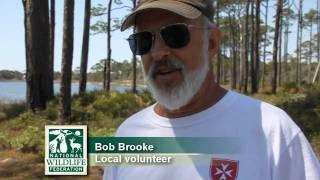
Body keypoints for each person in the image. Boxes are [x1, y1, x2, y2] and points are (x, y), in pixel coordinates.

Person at [103, 0, 320, 179]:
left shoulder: (273, 130)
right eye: (143, 40)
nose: (158, 53)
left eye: (175, 35)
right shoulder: (127, 134)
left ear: (212, 42)